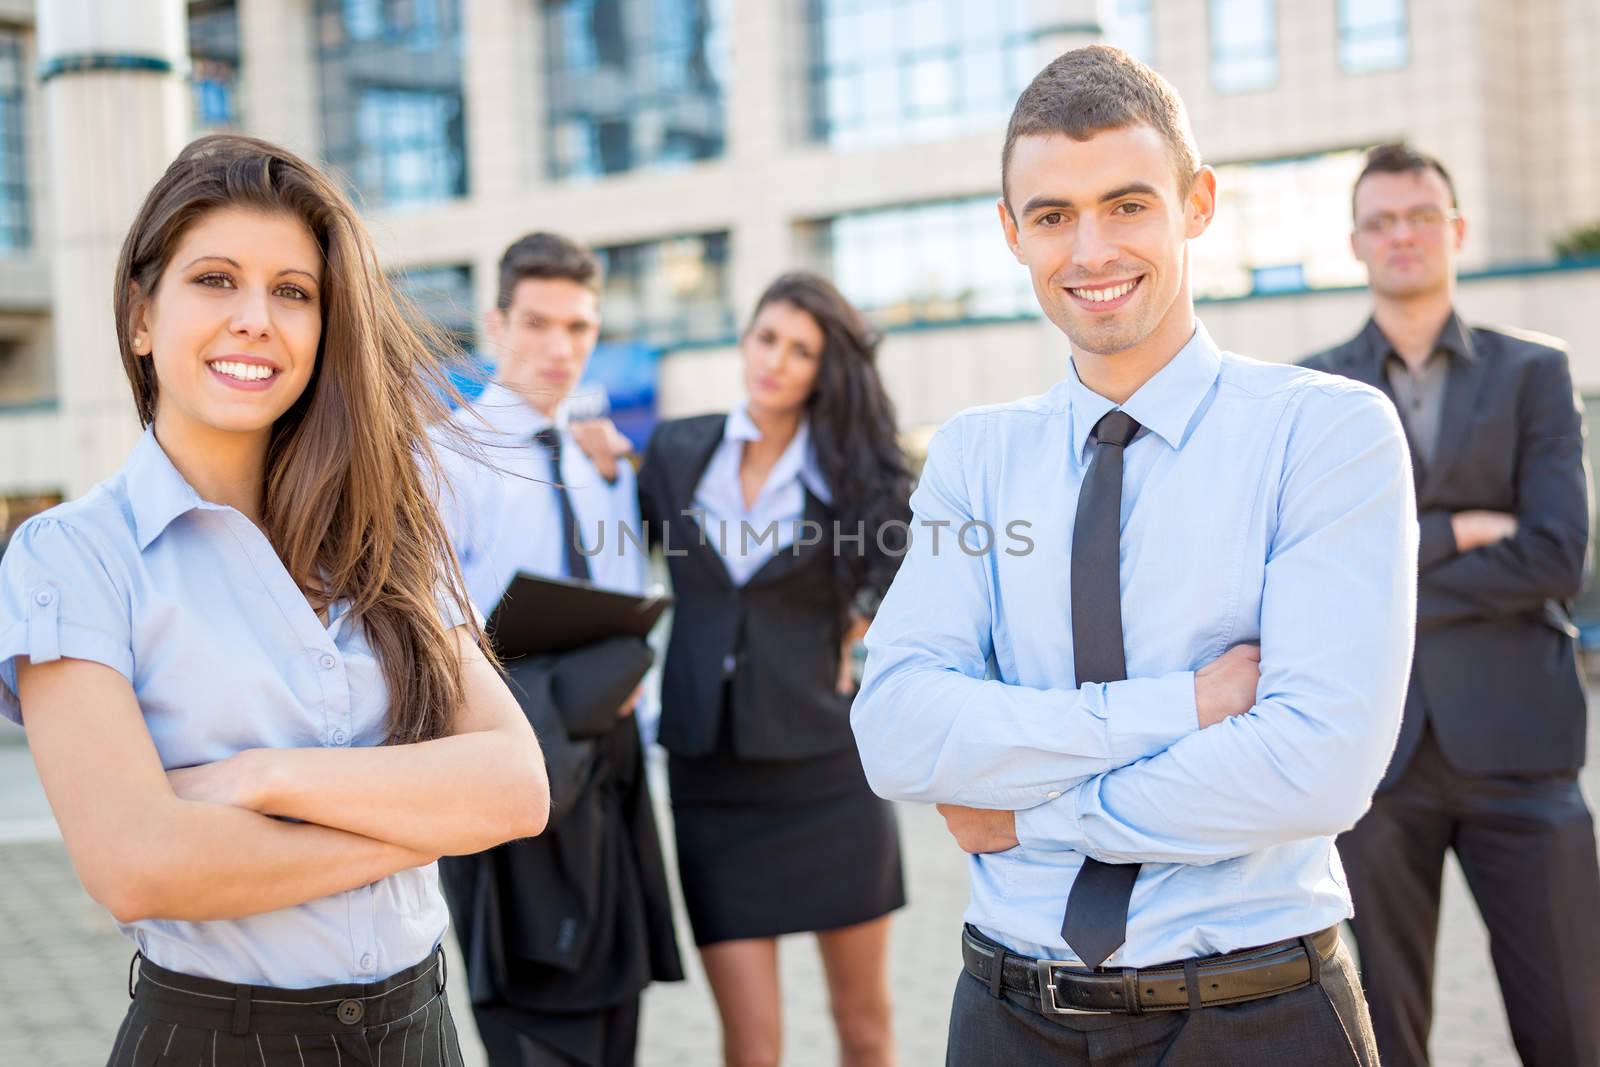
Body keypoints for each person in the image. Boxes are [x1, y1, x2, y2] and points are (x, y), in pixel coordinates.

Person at [851, 46, 1413, 1065]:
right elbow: (895, 729)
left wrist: (1026, 814)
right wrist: (1182, 708)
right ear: (1011, 232)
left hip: (1256, 1012)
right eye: (1054, 215)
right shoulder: (974, 456)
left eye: (1127, 203)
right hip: (1006, 1013)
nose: (1092, 249)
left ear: (1196, 203)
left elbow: (1312, 768)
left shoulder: (1324, 433)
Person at [0, 134, 549, 1066]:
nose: (256, 318)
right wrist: (422, 822)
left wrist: (263, 778)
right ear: (141, 316)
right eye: (215, 279)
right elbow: (138, 866)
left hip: (422, 1028)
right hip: (221, 1039)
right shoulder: (72, 558)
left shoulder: (385, 534)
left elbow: (516, 788)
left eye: (293, 292)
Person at [1302, 143, 1600, 1067]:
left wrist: (1397, 566)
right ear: (1355, 241)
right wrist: (1461, 530)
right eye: (1381, 221)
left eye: (1420, 216)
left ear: (1456, 230)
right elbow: (1316, 569)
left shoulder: (1533, 373)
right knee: (1384, 1034)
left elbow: (1556, 554)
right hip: (1378, 760)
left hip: (1524, 750)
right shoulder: (1315, 390)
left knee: (1572, 1026)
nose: (1402, 236)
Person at [632, 271, 911, 1067]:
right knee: (750, 1045)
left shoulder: (854, 478)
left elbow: (915, 566)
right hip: (710, 778)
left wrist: (868, 622)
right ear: (744, 337)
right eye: (767, 338)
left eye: (802, 351)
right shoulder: (677, 451)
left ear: (826, 371)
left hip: (827, 775)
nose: (777, 362)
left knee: (865, 1025)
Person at [433, 231, 682, 1067]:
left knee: (617, 1028)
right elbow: (429, 642)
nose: (559, 347)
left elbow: (617, 605)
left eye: (579, 328)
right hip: (510, 768)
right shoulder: (445, 460)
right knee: (538, 1038)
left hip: (608, 776)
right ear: (496, 325)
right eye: (537, 323)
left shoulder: (596, 458)